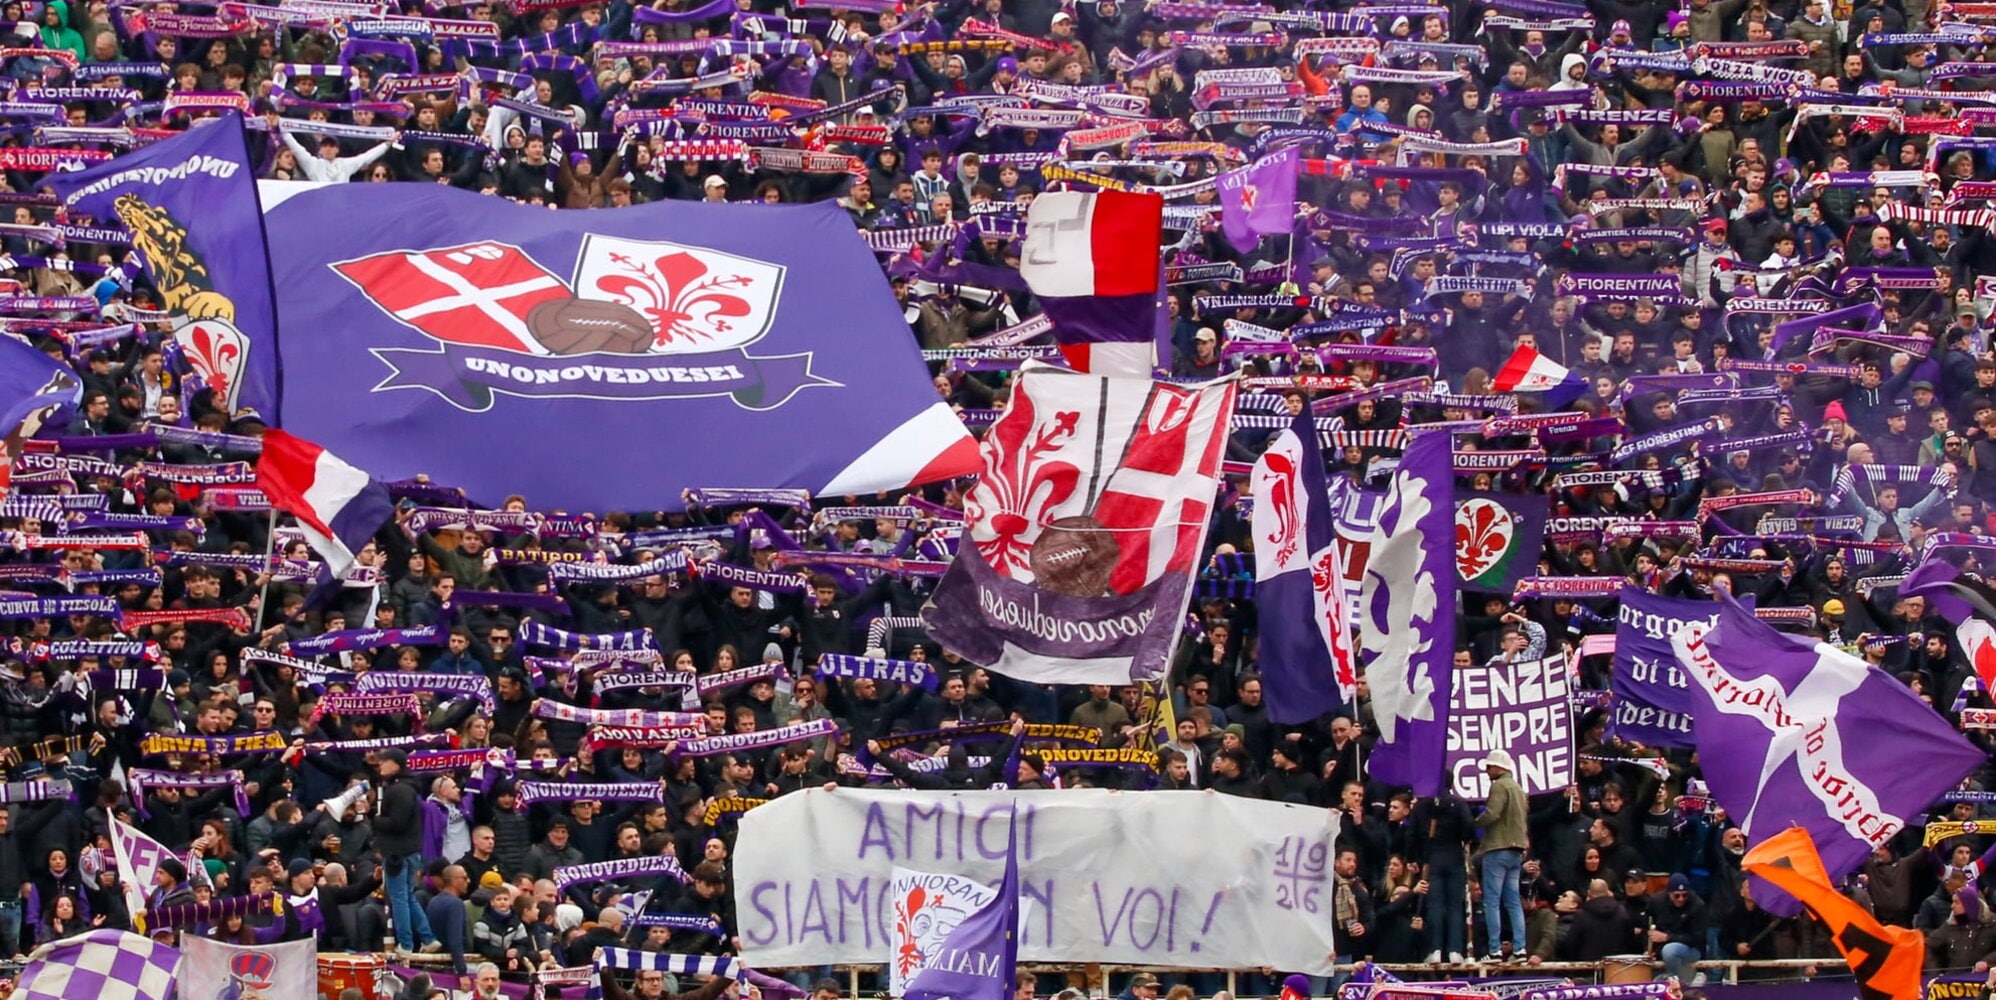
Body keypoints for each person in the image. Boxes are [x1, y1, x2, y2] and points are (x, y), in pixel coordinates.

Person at [1476, 749, 1528, 959]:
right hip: (1516, 850)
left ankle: (1494, 949)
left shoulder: (1499, 786)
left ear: (1499, 767)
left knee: (1492, 901)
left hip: (1497, 848)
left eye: (1489, 766)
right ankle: (1520, 948)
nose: (1487, 770)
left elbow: (1492, 813)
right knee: (1513, 902)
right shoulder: (1518, 789)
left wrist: (1473, 824)